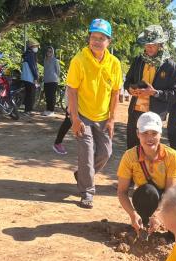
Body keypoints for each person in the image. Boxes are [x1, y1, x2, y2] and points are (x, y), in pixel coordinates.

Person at [66, 19, 123, 209]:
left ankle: (82, 175)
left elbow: (116, 92)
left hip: (104, 117)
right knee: (87, 154)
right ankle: (87, 192)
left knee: (106, 153)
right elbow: (72, 91)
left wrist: (113, 119)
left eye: (101, 38)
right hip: (83, 115)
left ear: (109, 41)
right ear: (89, 38)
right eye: (93, 37)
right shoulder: (79, 60)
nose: (96, 41)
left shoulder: (114, 63)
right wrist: (74, 118)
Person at [117, 112, 176, 235]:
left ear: (160, 134)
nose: (149, 138)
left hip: (168, 199)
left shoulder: (172, 156)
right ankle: (144, 221)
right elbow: (122, 191)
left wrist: (158, 214)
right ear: (137, 134)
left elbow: (171, 193)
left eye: (154, 133)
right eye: (145, 133)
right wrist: (132, 214)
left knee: (175, 231)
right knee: (147, 191)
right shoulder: (129, 156)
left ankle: (165, 225)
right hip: (147, 197)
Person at [123, 24, 176, 149]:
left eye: (153, 44)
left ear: (160, 45)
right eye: (146, 43)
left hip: (155, 115)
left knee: (149, 150)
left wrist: (155, 93)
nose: (149, 47)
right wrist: (130, 89)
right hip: (135, 112)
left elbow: (175, 94)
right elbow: (127, 82)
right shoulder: (138, 60)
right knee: (132, 150)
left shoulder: (170, 66)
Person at [21, 38, 39, 115]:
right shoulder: (31, 54)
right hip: (30, 78)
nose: (37, 48)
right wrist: (36, 77)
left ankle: (26, 110)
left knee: (27, 93)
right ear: (32, 46)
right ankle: (28, 111)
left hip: (24, 77)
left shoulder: (26, 54)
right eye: (36, 46)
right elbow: (33, 66)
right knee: (31, 94)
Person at [42, 46, 60, 116]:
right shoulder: (45, 60)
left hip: (53, 81)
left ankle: (51, 110)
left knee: (52, 96)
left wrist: (56, 78)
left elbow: (58, 71)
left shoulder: (55, 60)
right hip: (46, 81)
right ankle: (48, 109)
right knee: (47, 95)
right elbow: (45, 70)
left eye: (50, 51)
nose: (49, 53)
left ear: (52, 52)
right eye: (48, 51)